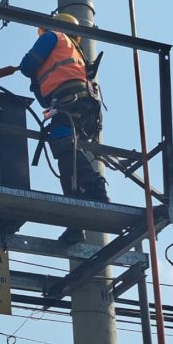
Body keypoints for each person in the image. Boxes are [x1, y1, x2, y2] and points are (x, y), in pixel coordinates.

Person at [19, 13, 107, 242]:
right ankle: (76, 224)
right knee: (66, 161)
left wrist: (33, 76)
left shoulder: (52, 36)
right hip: (79, 105)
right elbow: (44, 98)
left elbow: (27, 65)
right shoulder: (74, 49)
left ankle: (96, 187)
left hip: (69, 103)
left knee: (65, 149)